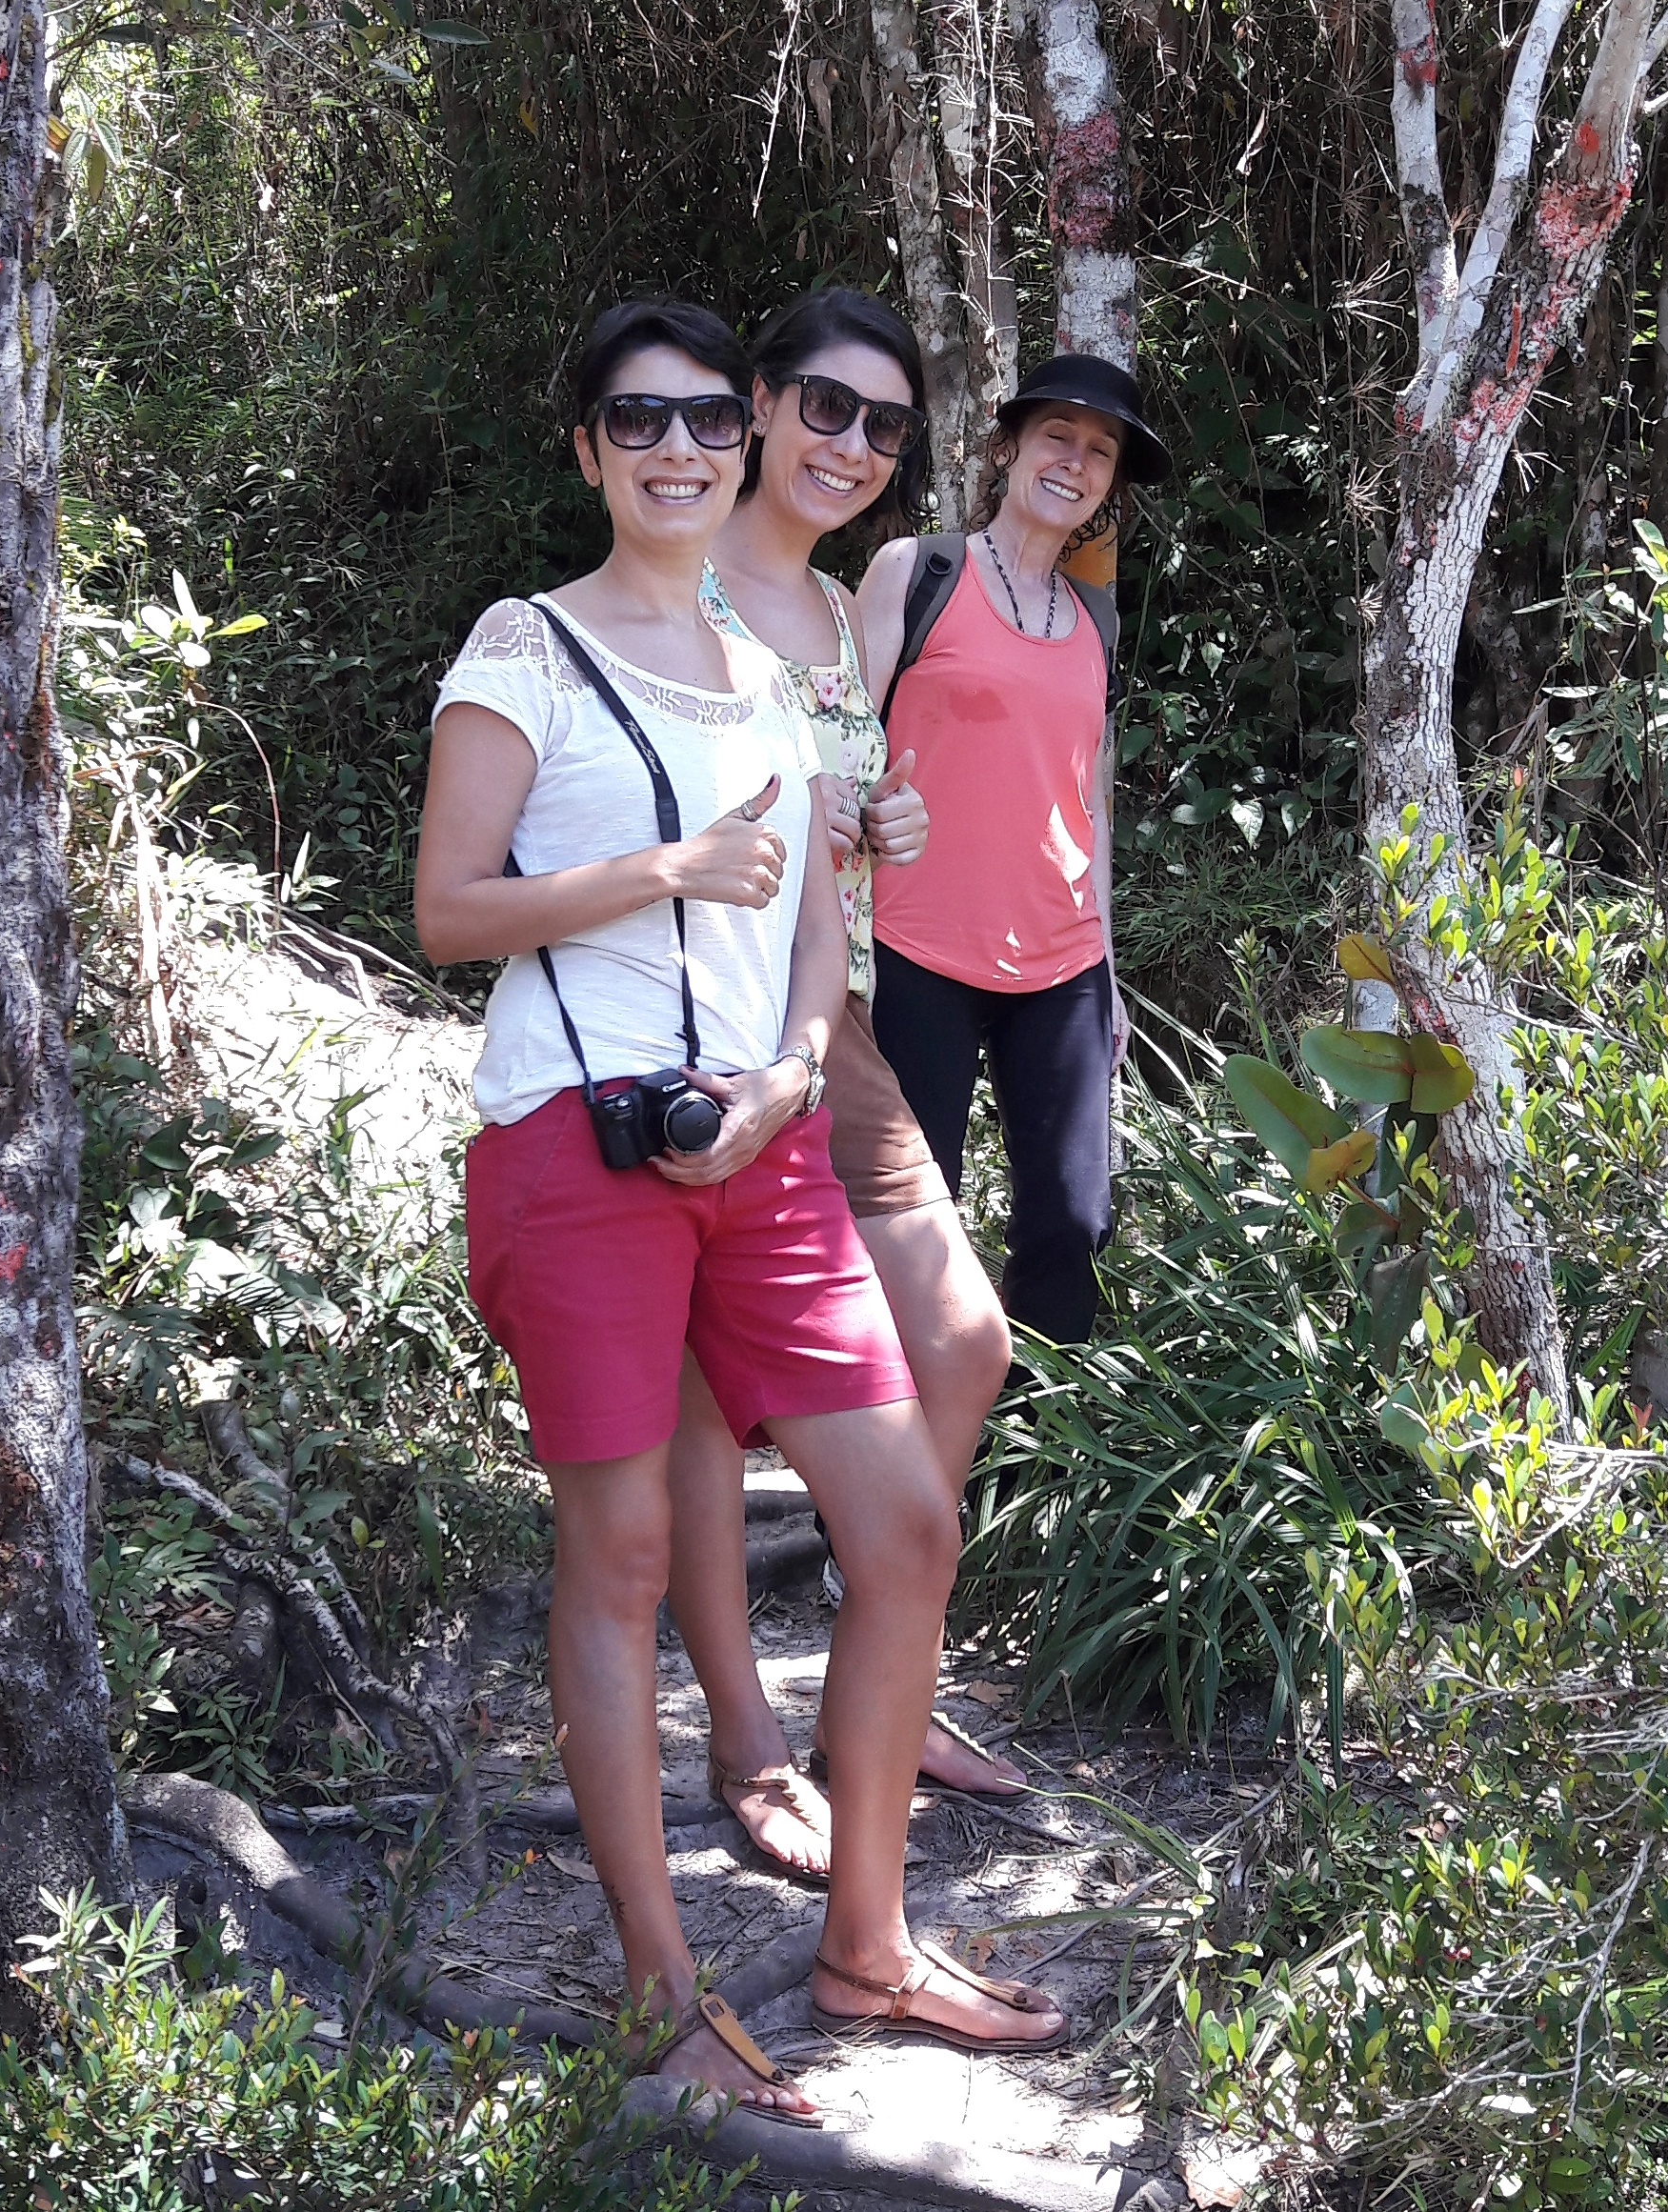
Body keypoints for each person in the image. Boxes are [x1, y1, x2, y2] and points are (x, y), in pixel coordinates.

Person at [414, 299, 1067, 2118]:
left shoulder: (769, 668)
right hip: (578, 1149)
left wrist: (785, 1077)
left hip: (760, 1144)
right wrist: (663, 868)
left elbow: (809, 929)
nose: (681, 449)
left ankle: (869, 1947)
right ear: (586, 449)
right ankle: (661, 1986)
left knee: (905, 1519)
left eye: (706, 418)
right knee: (617, 1557)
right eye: (639, 422)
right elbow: (450, 909)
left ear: (740, 433)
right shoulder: (526, 645)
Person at [659, 289, 1021, 1891]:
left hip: (832, 1024)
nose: (852, 445)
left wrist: (881, 829)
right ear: (755, 402)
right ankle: (745, 1741)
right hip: (693, 1023)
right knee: (697, 1403)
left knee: (961, 1338)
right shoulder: (671, 577)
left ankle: (882, 1677)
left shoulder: (825, 607)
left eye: (884, 425)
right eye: (825, 405)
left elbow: (829, 828)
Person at [856, 354, 1171, 1347]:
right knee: (915, 1221)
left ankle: (1040, 1444)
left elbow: (1090, 806)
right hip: (916, 951)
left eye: (1099, 451)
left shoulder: (1094, 621)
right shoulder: (918, 572)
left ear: (1111, 483)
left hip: (1062, 965)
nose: (1075, 462)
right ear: (1007, 448)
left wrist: (1108, 971)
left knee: (1073, 1224)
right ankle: (899, 1447)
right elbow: (837, 752)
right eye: (1056, 437)